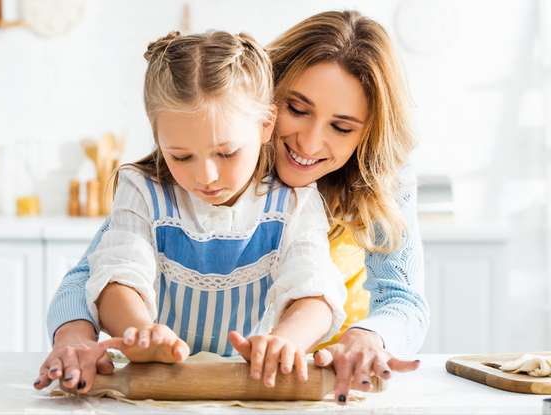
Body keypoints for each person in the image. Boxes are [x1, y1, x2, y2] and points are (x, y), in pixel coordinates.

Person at [37, 10, 428, 405]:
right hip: (179, 375)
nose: (308, 144)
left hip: (314, 371)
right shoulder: (206, 145)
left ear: (368, 133)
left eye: (341, 127)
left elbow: (402, 300)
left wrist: (367, 336)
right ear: (265, 107)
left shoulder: (377, 179)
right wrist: (76, 338)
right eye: (297, 108)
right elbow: (99, 270)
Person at [86, 30, 347, 389]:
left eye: (226, 153)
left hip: (250, 381)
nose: (205, 175)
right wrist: (141, 333)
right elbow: (119, 275)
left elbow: (314, 288)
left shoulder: (293, 202)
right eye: (180, 156)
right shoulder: (142, 190)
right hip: (160, 385)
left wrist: (286, 341)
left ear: (266, 126)